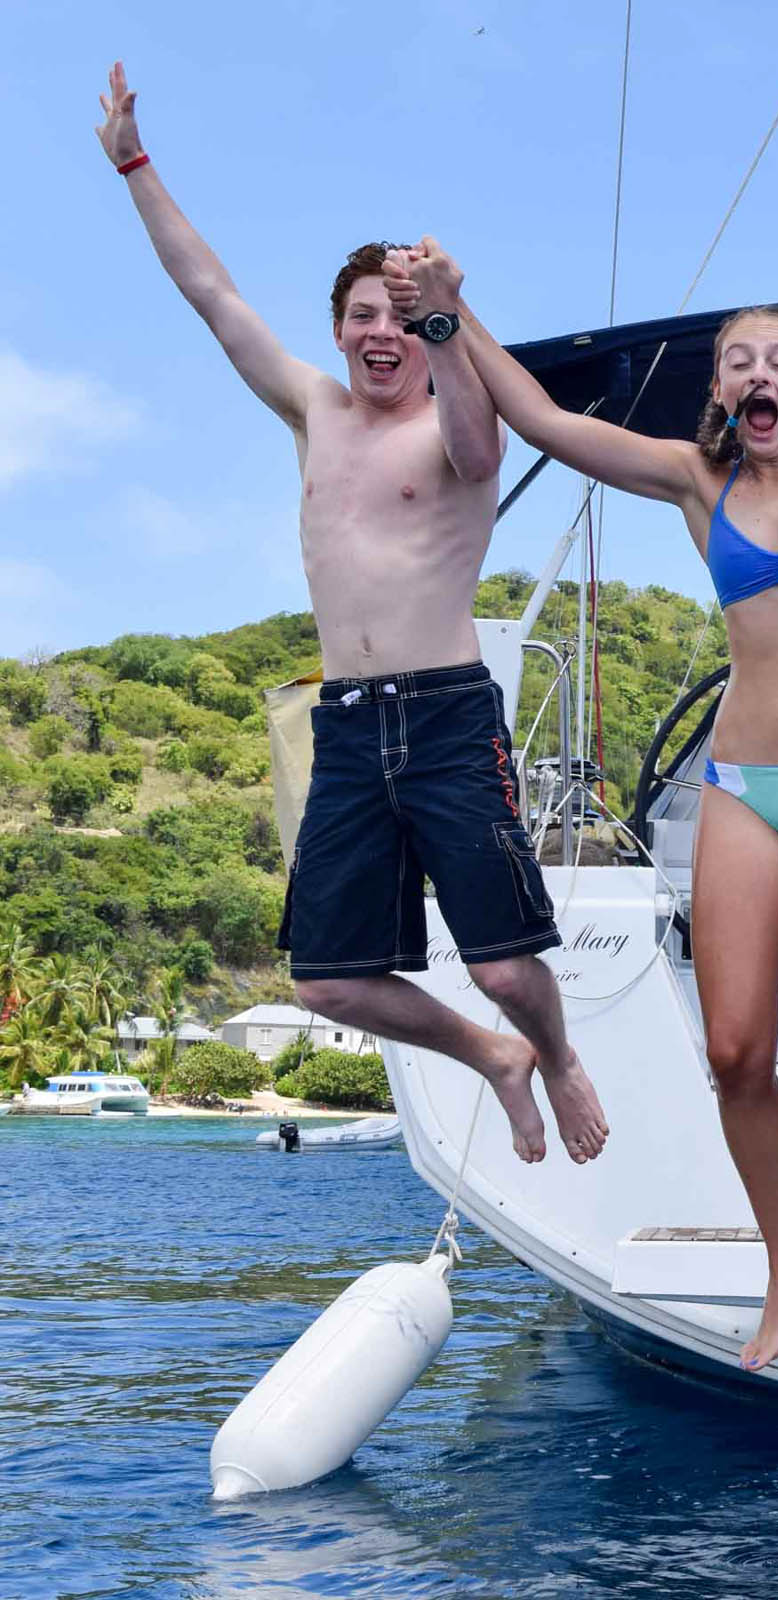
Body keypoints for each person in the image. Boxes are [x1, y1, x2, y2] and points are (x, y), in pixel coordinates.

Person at [388, 241, 778, 1363]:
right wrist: (453, 314)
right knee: (737, 1052)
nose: (756, 373)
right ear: (722, 394)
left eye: (777, 360)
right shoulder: (703, 483)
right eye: (736, 359)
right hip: (739, 783)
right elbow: (548, 424)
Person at [94, 64, 609, 1169]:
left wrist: (446, 318)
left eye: (404, 317)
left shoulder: (452, 419)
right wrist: (135, 165)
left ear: (431, 331)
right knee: (328, 977)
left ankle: (553, 1053)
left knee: (513, 967)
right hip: (345, 721)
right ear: (336, 330)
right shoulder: (314, 413)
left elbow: (480, 444)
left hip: (445, 716)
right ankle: (493, 1055)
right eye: (363, 315)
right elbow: (213, 295)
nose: (384, 333)